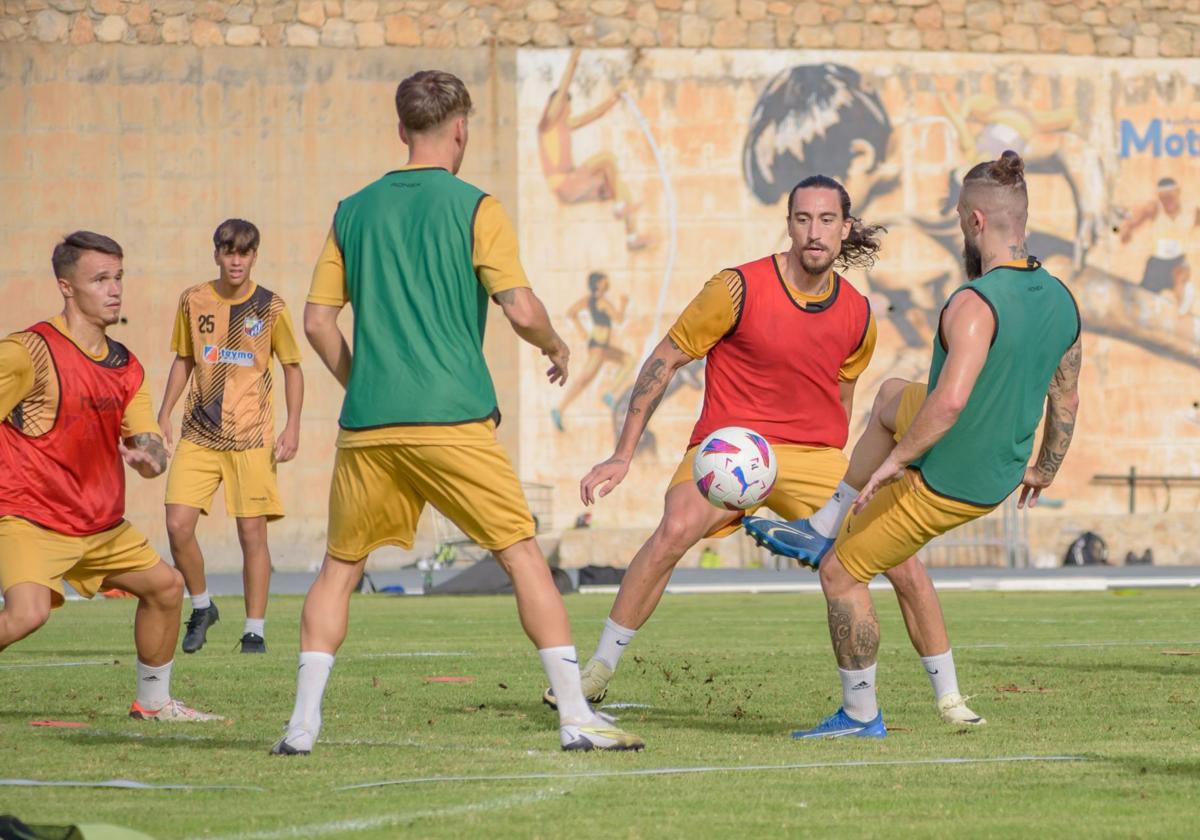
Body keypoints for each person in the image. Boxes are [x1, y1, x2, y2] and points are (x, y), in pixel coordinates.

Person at [273, 70, 643, 755]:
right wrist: (556, 343)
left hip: (368, 427)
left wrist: (369, 381)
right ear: (461, 129)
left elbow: (319, 324)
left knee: (338, 568)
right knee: (524, 557)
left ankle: (301, 728)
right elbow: (521, 307)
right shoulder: (477, 206)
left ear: (401, 129)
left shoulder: (351, 210)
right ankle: (574, 717)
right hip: (453, 421)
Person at [550, 176, 983, 727]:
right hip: (728, 448)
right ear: (789, 223)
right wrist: (622, 453)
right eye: (803, 219)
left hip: (813, 458)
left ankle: (950, 700)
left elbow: (844, 396)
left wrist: (837, 472)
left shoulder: (858, 314)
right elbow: (664, 361)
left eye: (827, 220)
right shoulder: (736, 288)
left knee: (901, 561)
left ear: (845, 229)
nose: (814, 232)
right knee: (675, 530)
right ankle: (597, 674)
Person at [745, 151, 1081, 738]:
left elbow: (949, 403)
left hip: (949, 478)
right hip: (999, 470)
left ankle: (859, 714)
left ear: (976, 222)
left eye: (958, 218)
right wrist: (1045, 469)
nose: (958, 227)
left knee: (841, 577)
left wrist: (896, 463)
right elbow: (1067, 401)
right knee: (890, 396)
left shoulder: (973, 304)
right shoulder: (1062, 300)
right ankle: (825, 519)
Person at [0, 231, 219, 721]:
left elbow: (151, 446)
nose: (114, 289)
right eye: (100, 279)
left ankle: (154, 703)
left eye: (118, 277)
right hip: (31, 517)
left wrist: (149, 458)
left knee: (165, 587)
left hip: (100, 525)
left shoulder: (126, 367)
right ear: (66, 286)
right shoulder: (27, 351)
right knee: (27, 614)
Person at [157, 219, 304, 655]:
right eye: (228, 251)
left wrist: (292, 425)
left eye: (243, 252)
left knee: (251, 536)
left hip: (251, 439)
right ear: (216, 253)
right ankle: (202, 606)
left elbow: (292, 368)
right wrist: (163, 413)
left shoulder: (271, 307)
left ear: (254, 255)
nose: (235, 260)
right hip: (198, 434)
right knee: (177, 524)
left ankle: (254, 630)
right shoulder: (193, 300)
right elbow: (184, 358)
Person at [539, 47, 649, 251]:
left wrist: (615, 98)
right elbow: (563, 88)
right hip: (565, 184)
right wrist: (574, 57)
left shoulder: (565, 125)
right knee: (607, 160)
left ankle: (631, 235)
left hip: (572, 182)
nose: (569, 110)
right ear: (559, 106)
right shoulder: (548, 125)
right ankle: (619, 207)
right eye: (566, 106)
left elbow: (594, 114)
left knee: (615, 183)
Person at [551, 271, 634, 431]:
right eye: (604, 280)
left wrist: (582, 330)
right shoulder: (602, 302)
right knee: (584, 379)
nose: (607, 282)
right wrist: (623, 304)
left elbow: (572, 312)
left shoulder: (590, 301)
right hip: (598, 346)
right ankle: (559, 409)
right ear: (598, 283)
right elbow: (618, 319)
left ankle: (609, 393)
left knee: (629, 360)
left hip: (601, 345)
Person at [1120, 177, 1198, 314]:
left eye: (1170, 198)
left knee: (1181, 276)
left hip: (1177, 260)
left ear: (1178, 193)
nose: (1167, 202)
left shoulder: (1192, 212)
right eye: (1163, 198)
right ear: (1159, 197)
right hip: (1157, 264)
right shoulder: (1154, 208)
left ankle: (1184, 306)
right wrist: (1126, 231)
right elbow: (1133, 222)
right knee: (1142, 299)